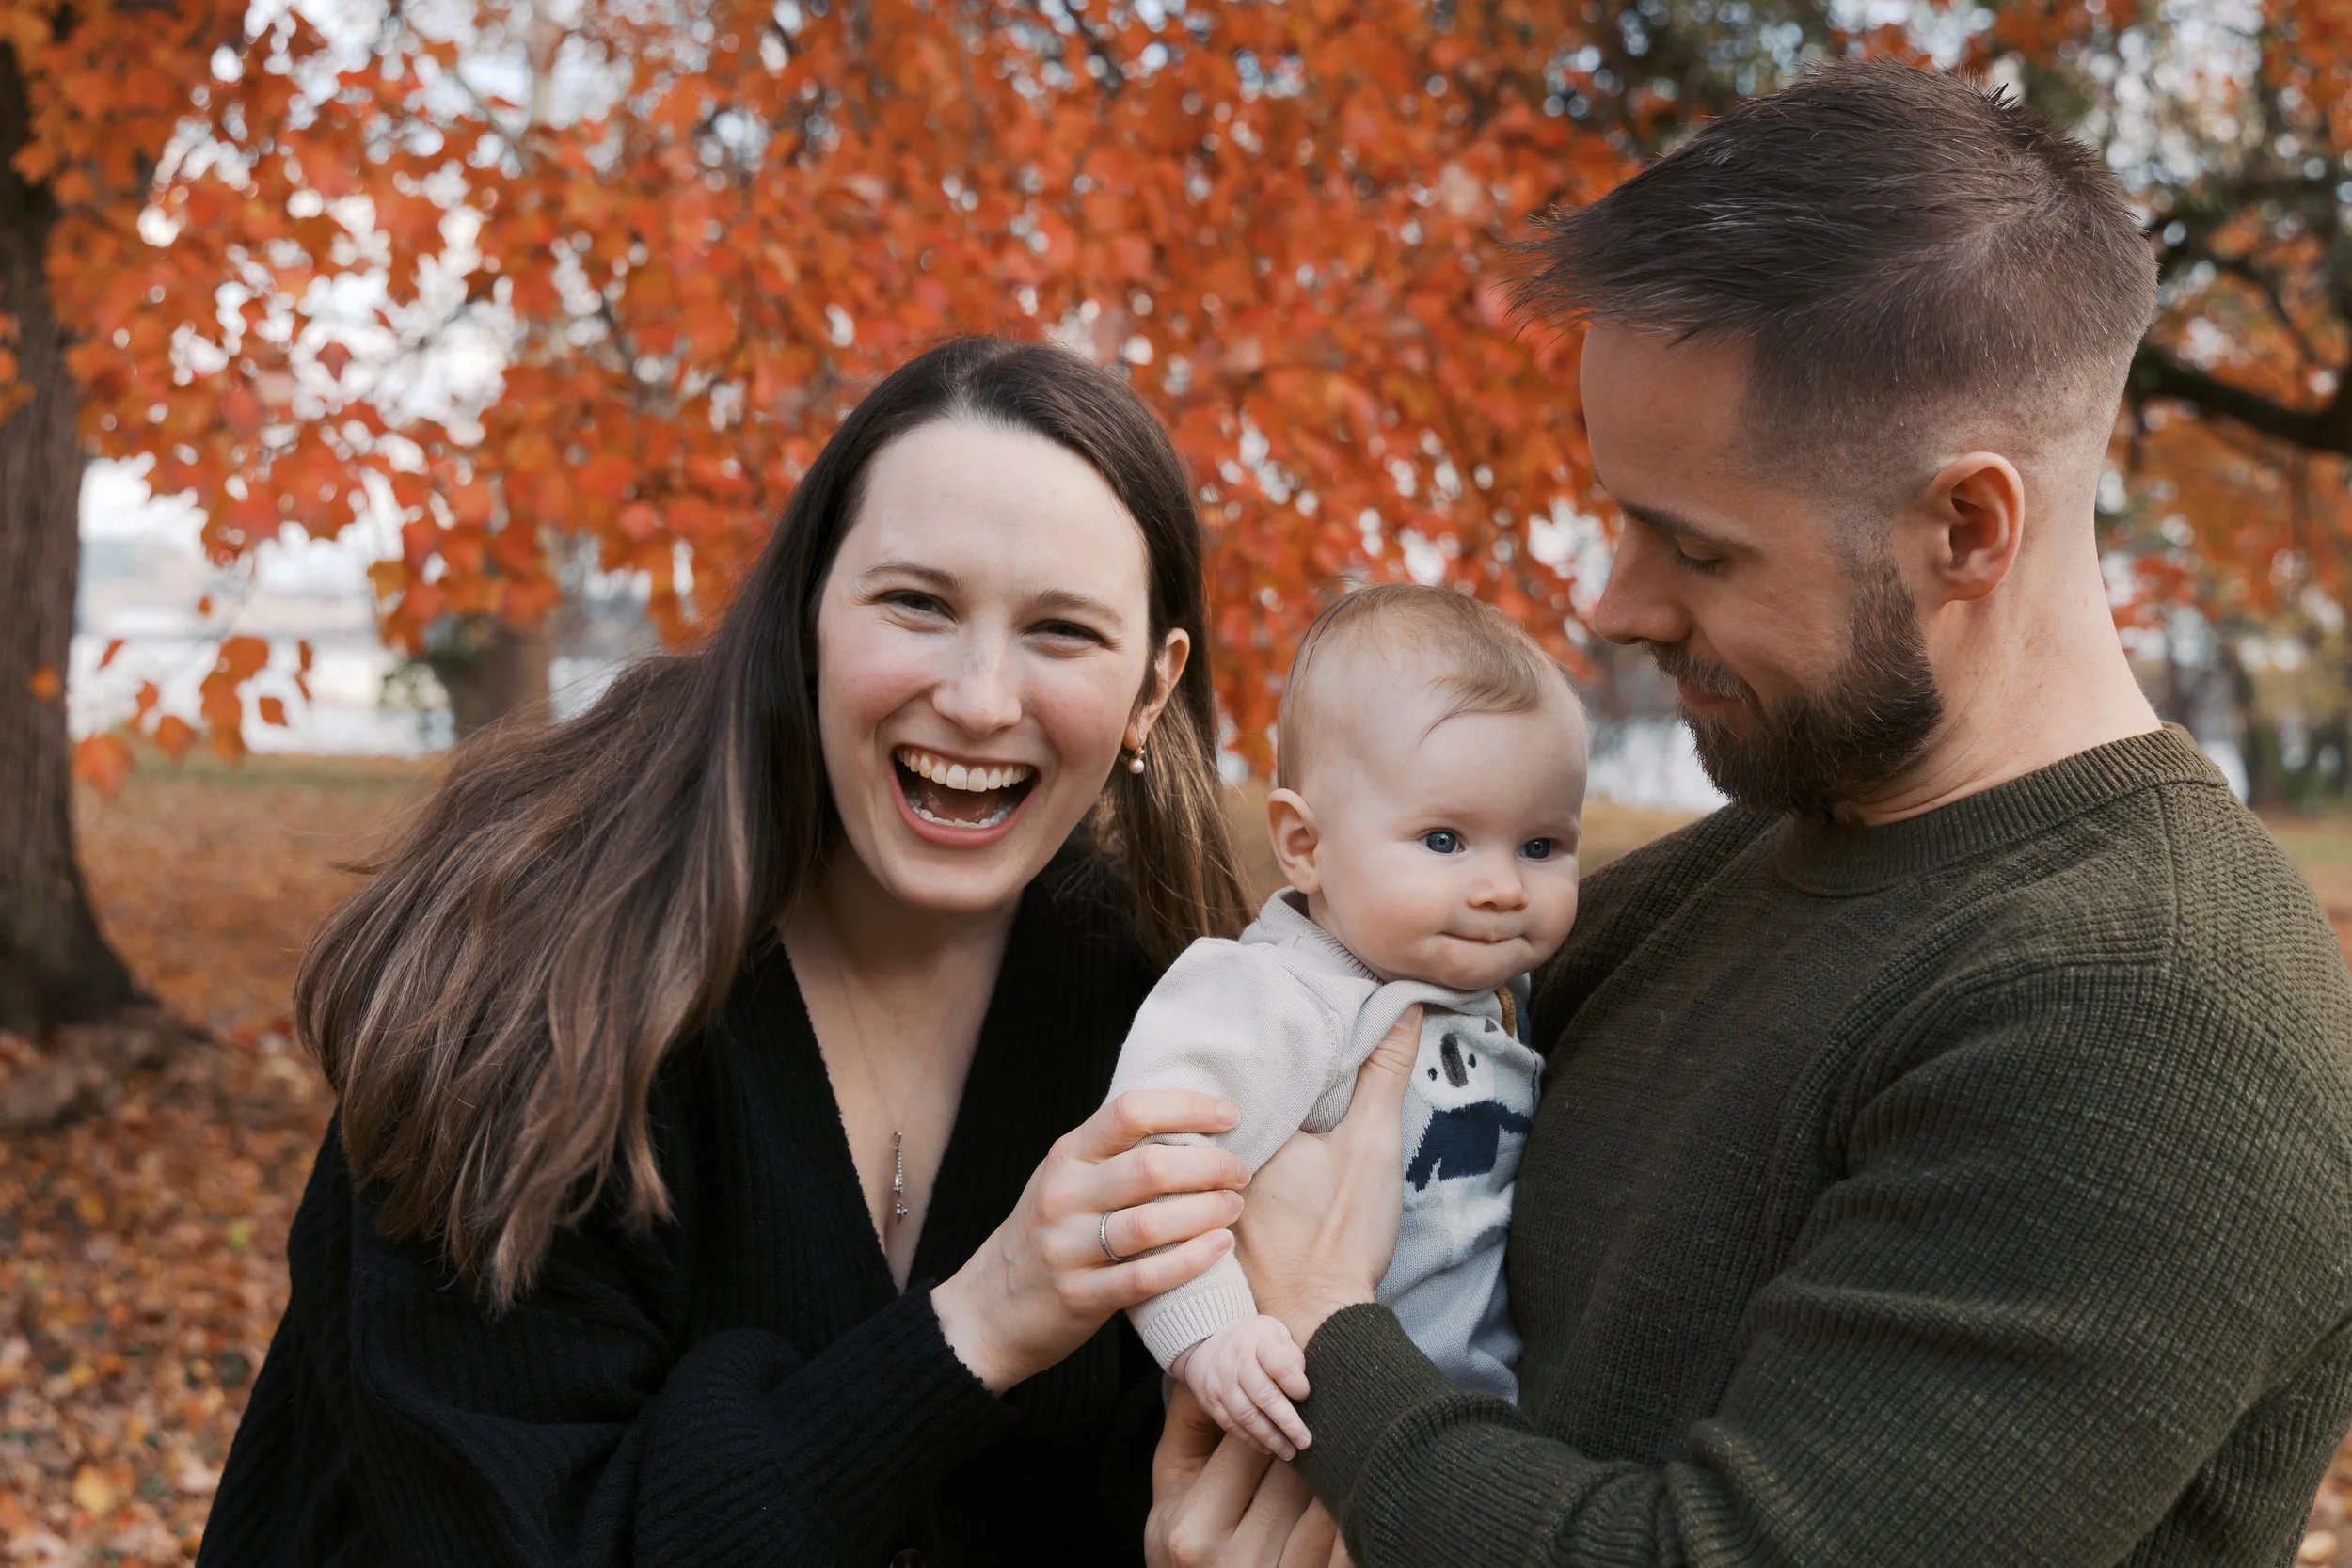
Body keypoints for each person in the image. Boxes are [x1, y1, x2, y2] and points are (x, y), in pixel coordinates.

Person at [1149, 60, 2352, 1568]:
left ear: (1968, 525)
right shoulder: (1710, 880)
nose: (1613, 601)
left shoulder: (2156, 1010)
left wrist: (1333, 1343)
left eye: (1697, 549)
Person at [199, 336, 1261, 1568]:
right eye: (918, 602)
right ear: (807, 608)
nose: (979, 697)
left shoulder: (1163, 1010)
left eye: (1063, 631)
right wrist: (979, 1320)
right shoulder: (540, 966)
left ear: (1150, 686)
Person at [1106, 587, 1587, 1460]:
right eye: (1445, 840)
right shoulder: (1271, 995)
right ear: (1304, 845)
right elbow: (1154, 1169)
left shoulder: (1499, 1001)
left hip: (1460, 1450)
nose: (1503, 886)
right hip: (1287, 1428)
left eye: (1542, 845)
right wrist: (1211, 1337)